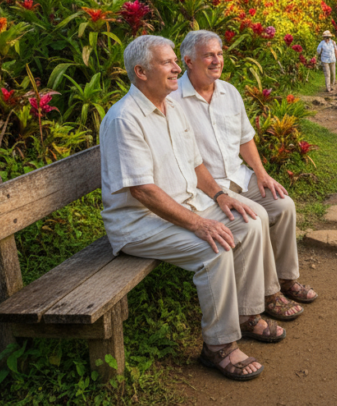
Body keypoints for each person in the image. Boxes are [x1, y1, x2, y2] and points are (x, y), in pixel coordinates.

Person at [100, 35, 283, 383]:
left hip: (185, 206)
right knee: (213, 248)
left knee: (251, 218)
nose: (174, 68)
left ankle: (245, 314)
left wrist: (219, 196)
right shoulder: (125, 118)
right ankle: (218, 347)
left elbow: (197, 163)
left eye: (174, 61)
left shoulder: (171, 107)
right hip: (139, 223)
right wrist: (198, 224)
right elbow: (142, 190)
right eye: (166, 63)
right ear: (140, 72)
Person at [170, 30, 317, 322]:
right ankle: (266, 294)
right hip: (207, 187)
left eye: (220, 53)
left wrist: (261, 174)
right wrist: (218, 194)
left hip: (238, 174)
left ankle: (285, 279)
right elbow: (184, 160)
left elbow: (244, 138)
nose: (217, 60)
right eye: (209, 55)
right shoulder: (173, 100)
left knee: (283, 204)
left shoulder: (229, 92)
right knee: (255, 215)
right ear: (187, 61)